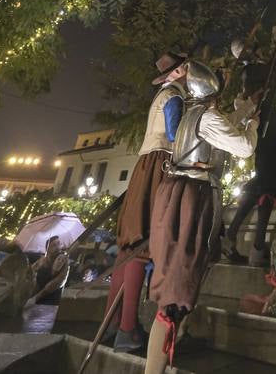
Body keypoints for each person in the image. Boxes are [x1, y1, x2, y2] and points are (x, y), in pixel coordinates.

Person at [144, 59, 259, 374]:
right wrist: (253, 125)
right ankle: (156, 366)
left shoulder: (191, 114)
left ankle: (166, 353)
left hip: (178, 196)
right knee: (178, 287)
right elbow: (244, 146)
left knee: (178, 280)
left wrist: (247, 107)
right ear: (212, 93)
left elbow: (224, 123)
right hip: (192, 201)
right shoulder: (206, 117)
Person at [104, 51, 189, 353]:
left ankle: (114, 324)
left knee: (128, 248)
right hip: (159, 167)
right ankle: (127, 329)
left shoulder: (162, 94)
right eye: (186, 68)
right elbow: (176, 135)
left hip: (144, 168)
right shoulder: (175, 95)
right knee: (140, 247)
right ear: (178, 72)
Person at [222, 31, 276, 266]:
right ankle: (256, 247)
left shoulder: (252, 70)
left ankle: (237, 238)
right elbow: (275, 72)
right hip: (265, 130)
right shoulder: (253, 70)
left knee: (262, 186)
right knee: (266, 187)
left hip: (266, 129)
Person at [27, 236, 69, 304]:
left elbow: (57, 283)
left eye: (58, 244)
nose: (58, 247)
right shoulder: (41, 260)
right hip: (34, 299)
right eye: (54, 245)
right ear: (47, 249)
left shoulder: (63, 260)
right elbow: (29, 273)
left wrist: (35, 298)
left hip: (51, 302)